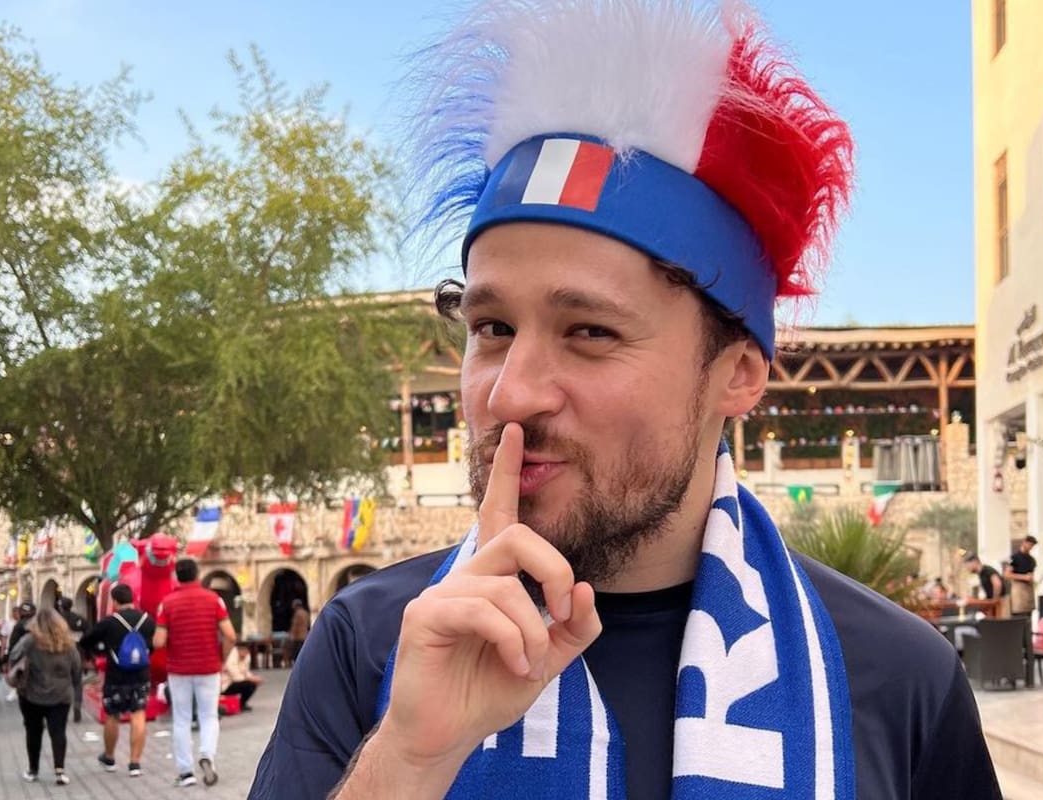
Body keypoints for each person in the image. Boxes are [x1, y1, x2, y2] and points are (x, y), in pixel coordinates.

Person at [249, 2, 1001, 798]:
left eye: (591, 333)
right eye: (493, 326)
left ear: (738, 373)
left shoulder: (894, 678)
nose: (511, 393)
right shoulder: (368, 646)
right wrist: (409, 760)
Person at [153, 558, 236, 788]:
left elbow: (159, 641)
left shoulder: (167, 603)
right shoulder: (214, 600)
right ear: (197, 575)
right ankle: (207, 755)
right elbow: (230, 635)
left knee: (181, 719)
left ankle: (185, 772)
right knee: (209, 716)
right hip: (209, 667)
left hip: (179, 669)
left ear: (177, 576)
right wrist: (222, 657)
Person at [79, 583, 157, 778]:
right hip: (141, 674)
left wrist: (100, 651)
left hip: (116, 676)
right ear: (133, 598)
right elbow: (154, 644)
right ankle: (135, 763)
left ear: (114, 601)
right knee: (138, 714)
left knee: (112, 715)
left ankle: (110, 757)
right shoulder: (147, 620)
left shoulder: (109, 622)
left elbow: (85, 641)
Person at [8, 607, 82, 785]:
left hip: (31, 694)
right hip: (61, 694)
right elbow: (77, 669)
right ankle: (60, 771)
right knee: (58, 732)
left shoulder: (29, 641)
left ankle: (33, 770)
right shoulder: (68, 643)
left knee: (33, 731)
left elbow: (13, 656)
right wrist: (76, 693)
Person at [56, 597, 91, 722]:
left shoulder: (56, 621)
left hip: (60, 655)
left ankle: (61, 710)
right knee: (77, 683)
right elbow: (88, 638)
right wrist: (88, 657)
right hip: (78, 654)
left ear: (60, 606)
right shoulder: (80, 619)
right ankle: (77, 705)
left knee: (60, 683)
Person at [222, 641, 263, 711]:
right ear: (239, 650)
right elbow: (235, 675)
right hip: (225, 684)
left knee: (252, 684)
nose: (246, 654)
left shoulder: (247, 656)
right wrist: (250, 679)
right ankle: (239, 704)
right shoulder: (231, 656)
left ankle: (241, 703)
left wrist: (253, 677)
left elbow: (245, 671)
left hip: (236, 681)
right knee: (249, 684)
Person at [1005, 536, 1038, 617]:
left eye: (1032, 546)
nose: (1030, 547)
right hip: (1018, 590)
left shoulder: (1031, 560)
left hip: (1028, 590)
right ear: (1024, 543)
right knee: (1019, 614)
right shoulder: (1014, 558)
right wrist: (1023, 577)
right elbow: (1007, 574)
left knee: (1028, 616)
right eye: (1029, 544)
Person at [287, 599, 310, 665]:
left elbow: (295, 625)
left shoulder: (297, 614)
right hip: (305, 635)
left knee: (296, 653)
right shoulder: (305, 613)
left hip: (298, 636)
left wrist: (291, 635)